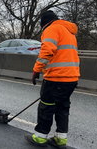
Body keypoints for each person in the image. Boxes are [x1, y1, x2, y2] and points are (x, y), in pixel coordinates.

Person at [25, 10, 80, 149]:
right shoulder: (69, 32)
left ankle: (40, 137)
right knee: (62, 107)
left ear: (44, 23)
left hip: (56, 77)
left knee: (46, 106)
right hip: (71, 77)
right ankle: (60, 139)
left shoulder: (52, 29)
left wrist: (36, 70)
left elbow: (47, 51)